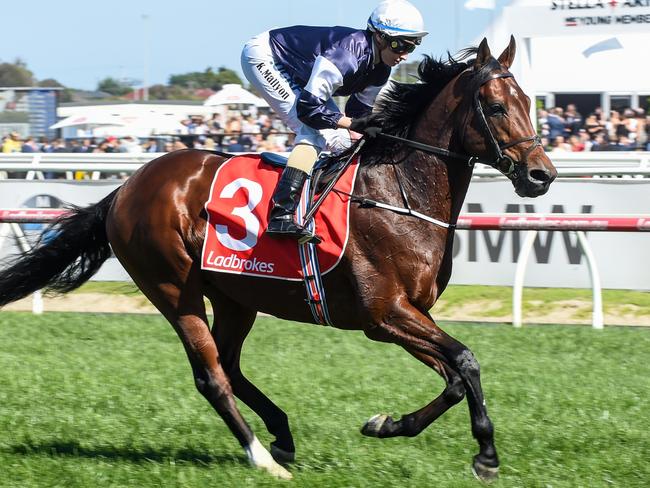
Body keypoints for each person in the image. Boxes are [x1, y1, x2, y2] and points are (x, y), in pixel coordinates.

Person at [241, 0, 427, 241]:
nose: (404, 55)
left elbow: (357, 111)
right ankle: (281, 215)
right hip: (265, 57)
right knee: (311, 131)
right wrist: (351, 124)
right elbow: (309, 109)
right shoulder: (345, 56)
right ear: (380, 37)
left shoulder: (382, 69)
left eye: (412, 47)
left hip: (298, 72)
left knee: (341, 141)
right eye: (400, 45)